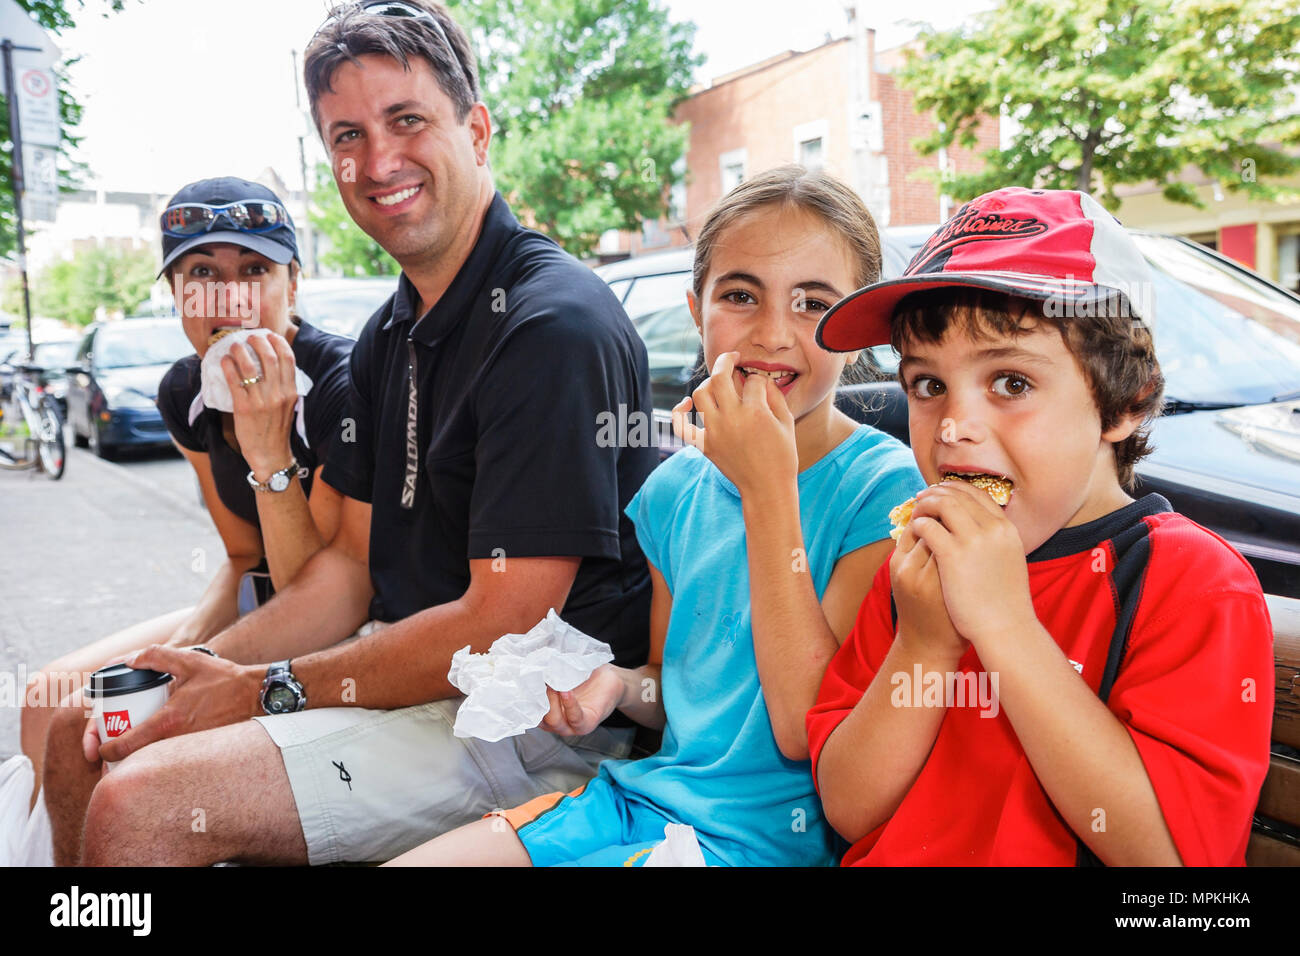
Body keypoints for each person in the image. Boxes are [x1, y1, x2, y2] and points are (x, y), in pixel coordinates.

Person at [69, 0, 655, 866]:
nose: (377, 160)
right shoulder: (392, 331)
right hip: (415, 678)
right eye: (347, 134)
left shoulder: (551, 324)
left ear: (478, 130)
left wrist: (258, 691)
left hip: (541, 719)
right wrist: (198, 671)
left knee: (138, 805)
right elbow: (344, 572)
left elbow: (502, 622)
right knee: (96, 730)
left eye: (406, 119)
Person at [388, 165, 924, 867]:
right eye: (740, 295)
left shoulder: (884, 491)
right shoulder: (673, 491)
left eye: (812, 302)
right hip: (640, 801)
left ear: (853, 331)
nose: (772, 332)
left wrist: (768, 493)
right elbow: (675, 686)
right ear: (697, 309)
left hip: (767, 842)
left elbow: (805, 728)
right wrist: (615, 685)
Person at [806, 186, 1275, 866]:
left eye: (1012, 384)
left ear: (1124, 404)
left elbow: (1169, 862)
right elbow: (848, 807)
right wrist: (926, 646)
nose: (954, 428)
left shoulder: (1189, 586)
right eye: (928, 386)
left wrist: (1005, 627)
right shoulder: (914, 566)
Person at [26, 177, 354, 865]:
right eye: (202, 273)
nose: (229, 298)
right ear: (177, 295)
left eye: (255, 271)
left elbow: (327, 593)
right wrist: (174, 649)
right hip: (259, 595)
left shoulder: (339, 386)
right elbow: (241, 556)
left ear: (293, 284)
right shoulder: (185, 388)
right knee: (46, 700)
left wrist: (268, 450)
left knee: (106, 737)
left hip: (338, 619)